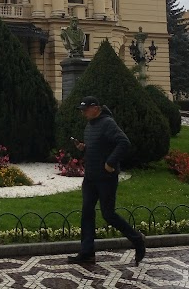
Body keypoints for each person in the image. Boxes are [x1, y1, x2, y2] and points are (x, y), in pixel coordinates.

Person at [68, 96, 145, 265]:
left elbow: (123, 142)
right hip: (90, 178)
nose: (83, 113)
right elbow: (99, 146)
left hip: (106, 178)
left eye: (85, 109)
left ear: (96, 108)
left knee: (108, 214)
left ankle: (137, 239)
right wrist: (84, 148)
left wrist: (111, 163)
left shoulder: (108, 123)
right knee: (87, 212)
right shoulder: (90, 125)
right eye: (81, 110)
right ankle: (87, 252)